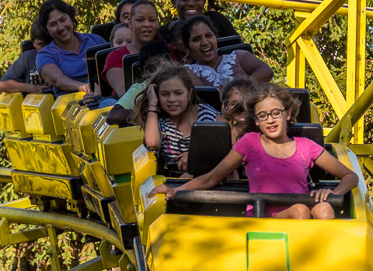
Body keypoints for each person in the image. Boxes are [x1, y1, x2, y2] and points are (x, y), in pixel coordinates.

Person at [152, 84, 357, 219]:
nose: (270, 120)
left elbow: (350, 176)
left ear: (287, 114)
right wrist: (176, 190)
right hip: (264, 219)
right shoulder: (250, 143)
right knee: (300, 210)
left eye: (275, 113)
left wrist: (332, 193)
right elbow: (211, 178)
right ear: (256, 121)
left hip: (299, 218)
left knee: (323, 209)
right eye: (263, 116)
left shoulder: (306, 146)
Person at [137, 64, 224, 175]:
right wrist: (152, 103)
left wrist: (196, 156)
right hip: (174, 182)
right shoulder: (158, 120)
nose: (172, 99)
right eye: (165, 94)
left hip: (210, 174)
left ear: (189, 94)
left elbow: (232, 141)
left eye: (178, 93)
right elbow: (153, 143)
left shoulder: (205, 114)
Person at [182, 15, 273, 89]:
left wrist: (244, 88)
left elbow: (266, 71)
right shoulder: (187, 71)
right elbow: (204, 98)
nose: (205, 42)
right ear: (188, 47)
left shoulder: (237, 56)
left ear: (216, 38)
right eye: (196, 39)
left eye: (209, 36)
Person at [35, 0, 107, 93]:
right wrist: (82, 87)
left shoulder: (95, 40)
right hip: (73, 103)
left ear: (71, 18)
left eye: (63, 20)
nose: (60, 27)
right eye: (53, 24)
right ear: (46, 29)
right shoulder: (45, 55)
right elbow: (58, 80)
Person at [105, 41, 176, 126]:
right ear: (142, 72)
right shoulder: (139, 89)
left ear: (172, 64)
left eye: (162, 67)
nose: (157, 73)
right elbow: (113, 116)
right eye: (151, 69)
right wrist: (149, 112)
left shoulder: (180, 82)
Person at [102, 0, 160, 98]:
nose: (147, 24)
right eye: (140, 20)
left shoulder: (168, 49)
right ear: (130, 23)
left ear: (158, 23)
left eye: (152, 20)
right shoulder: (116, 56)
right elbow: (124, 93)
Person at [165, 0, 239, 41]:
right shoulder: (164, 32)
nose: (191, 3)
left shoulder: (217, 21)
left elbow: (242, 49)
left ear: (204, 1)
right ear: (174, 2)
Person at [0, 21, 48, 93]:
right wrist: (33, 88)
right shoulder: (28, 58)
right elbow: (3, 85)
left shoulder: (62, 55)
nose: (45, 49)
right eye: (40, 44)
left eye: (49, 44)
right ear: (33, 43)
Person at [220, 79, 252, 144]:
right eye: (234, 104)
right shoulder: (223, 134)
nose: (240, 107)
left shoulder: (261, 133)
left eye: (246, 102)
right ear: (226, 106)